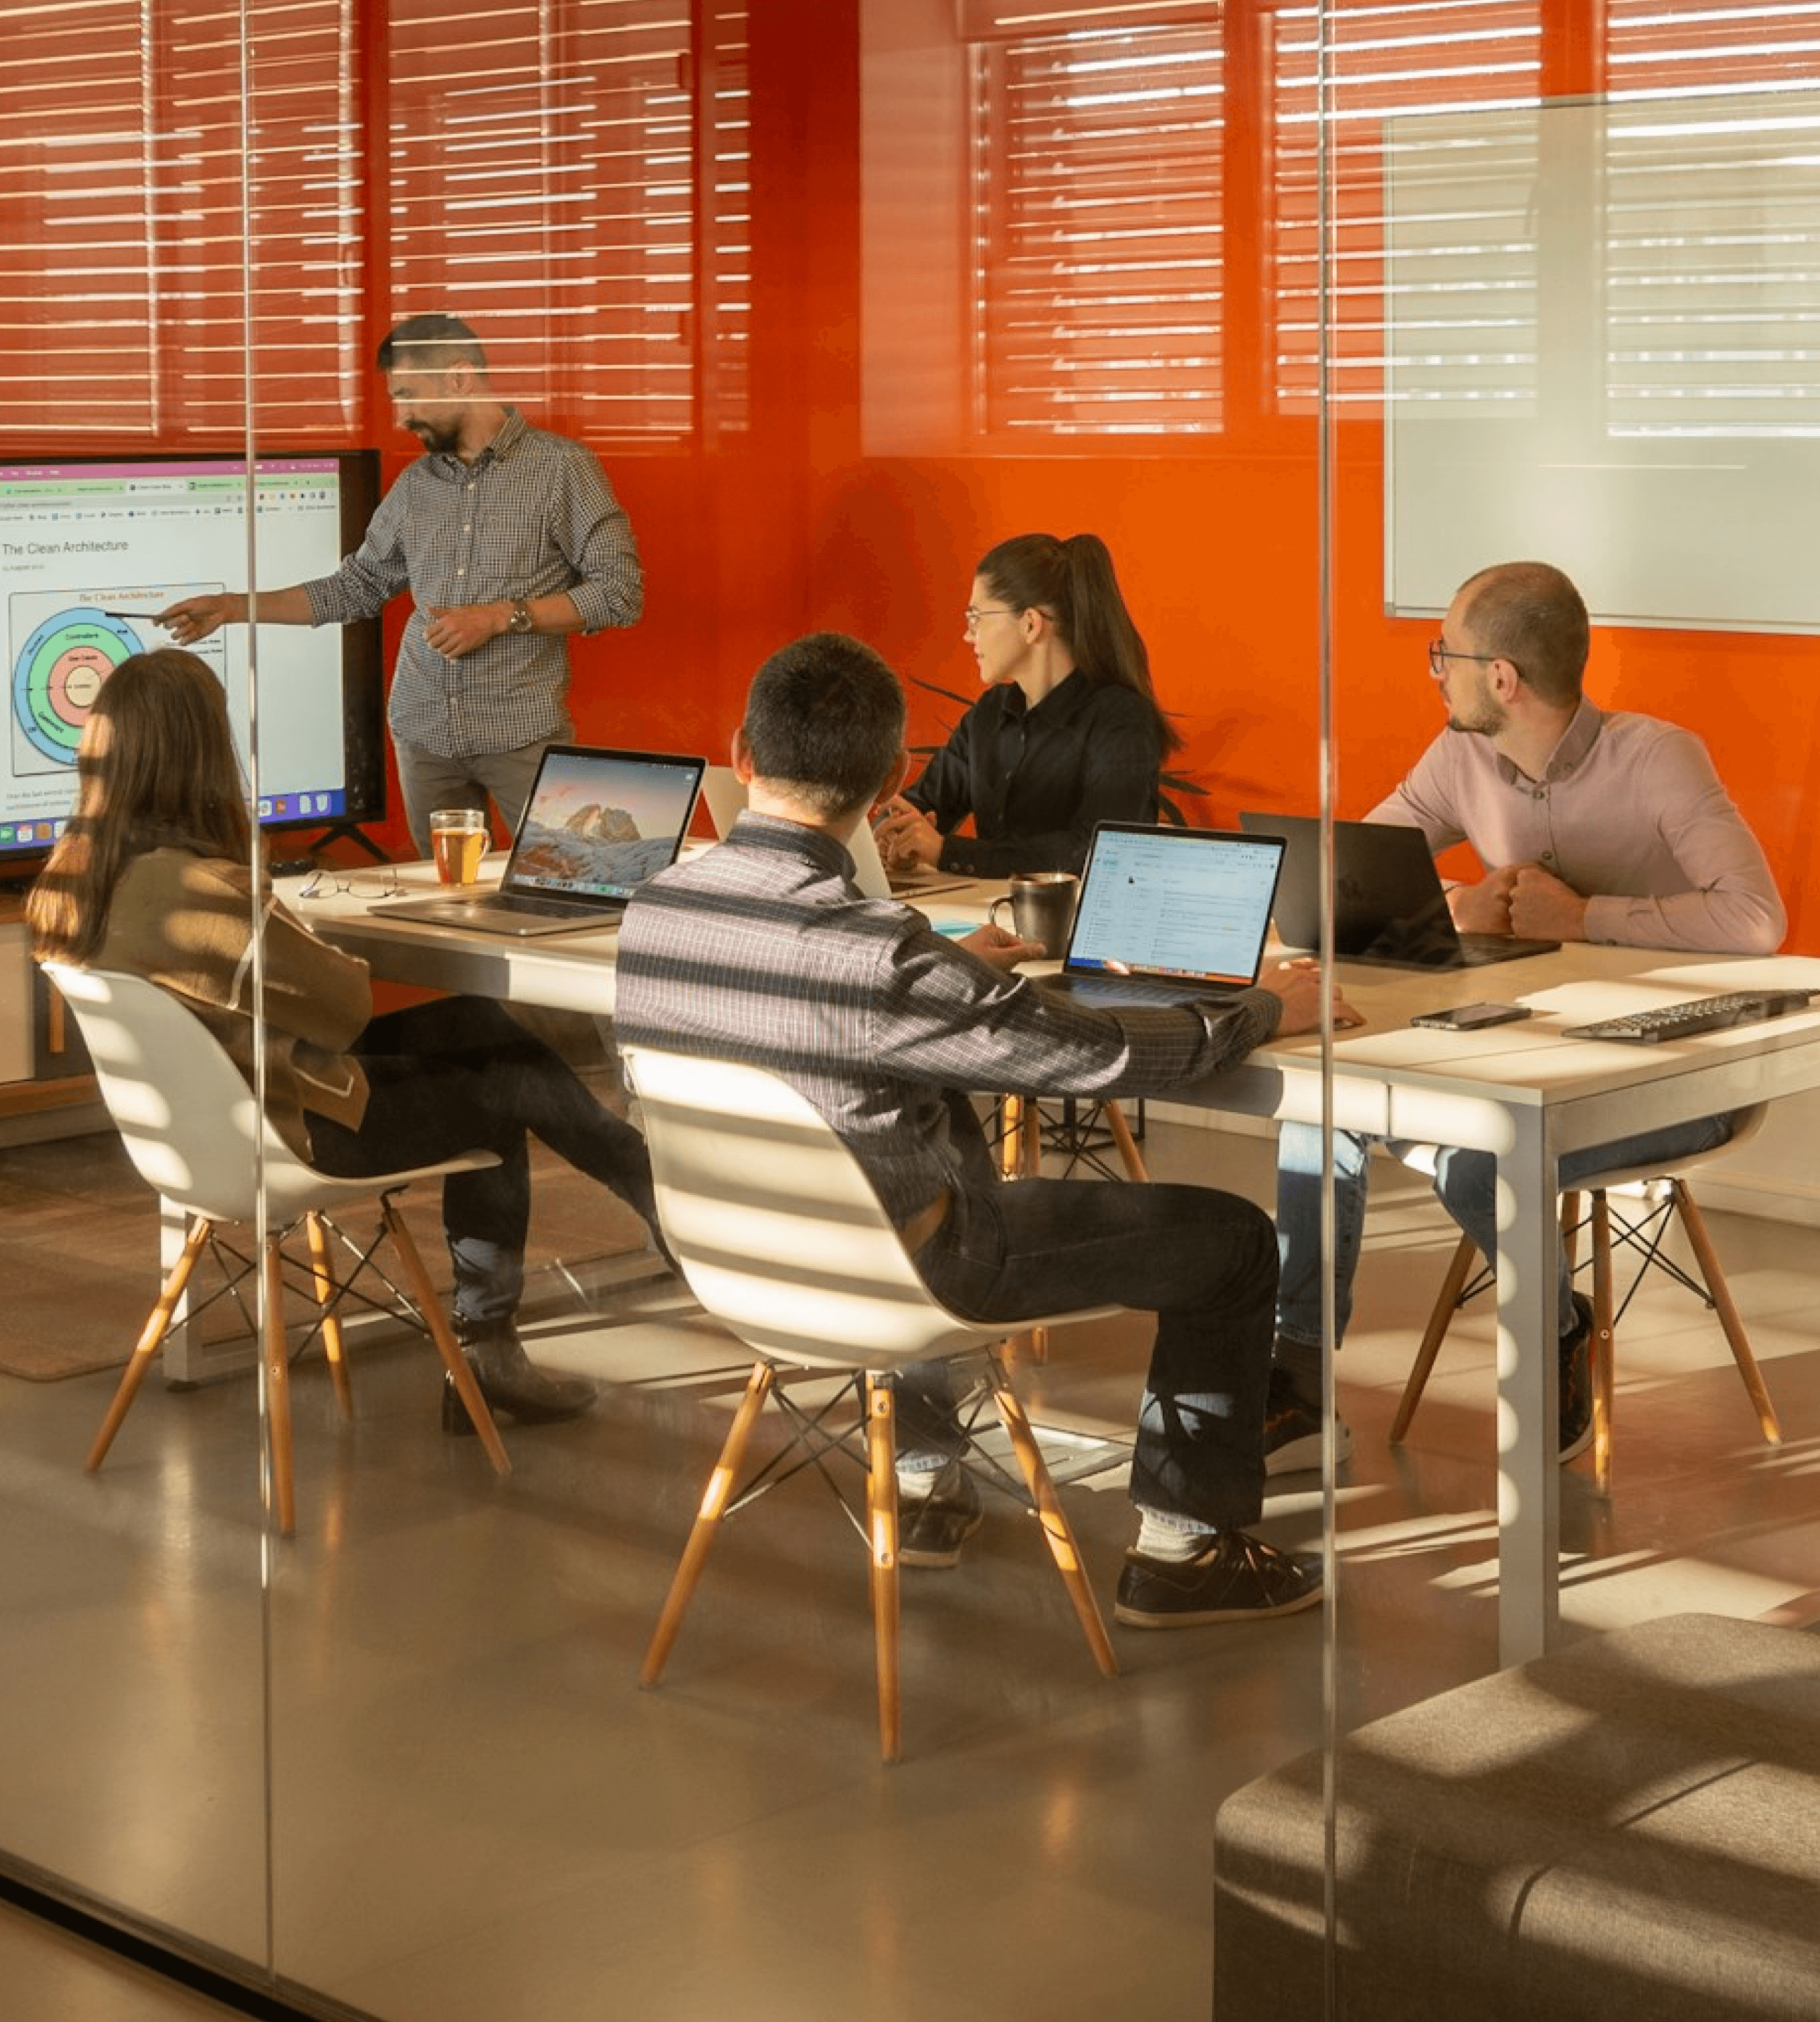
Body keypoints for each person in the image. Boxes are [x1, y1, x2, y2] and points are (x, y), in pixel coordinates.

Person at [615, 630, 1363, 1628]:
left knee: (913, 1146)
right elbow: (1097, 1057)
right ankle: (1185, 1550)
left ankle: (927, 1478)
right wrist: (1262, 1006)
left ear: (742, 753)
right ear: (889, 782)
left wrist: (963, 972)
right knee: (1228, 1241)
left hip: (736, 1263)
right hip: (899, 1280)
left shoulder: (654, 909)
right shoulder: (880, 954)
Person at [27, 649, 663, 1432]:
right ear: (201, 758)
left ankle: (641, 1189)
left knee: (473, 1024)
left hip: (212, 1131)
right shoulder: (203, 890)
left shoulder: (77, 879)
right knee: (499, 1087)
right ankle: (501, 1342)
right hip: (294, 1132)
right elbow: (346, 1008)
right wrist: (269, 906)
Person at [1268, 560, 1786, 1474]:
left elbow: (1756, 920)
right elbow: (1354, 873)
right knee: (1325, 1102)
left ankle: (1555, 1328)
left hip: (1668, 1076)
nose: (1436, 672)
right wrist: (1456, 900)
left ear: (1501, 677)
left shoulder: (1660, 756)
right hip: (1517, 1049)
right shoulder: (1461, 755)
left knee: (1477, 1151)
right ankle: (1301, 1379)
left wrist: (1583, 919)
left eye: (1445, 656)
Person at [155, 312, 644, 855]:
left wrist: (500, 616)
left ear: (460, 378)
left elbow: (619, 593)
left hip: (521, 734)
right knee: (448, 903)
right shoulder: (416, 486)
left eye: (409, 394)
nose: (403, 416)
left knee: (563, 882)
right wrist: (231, 606)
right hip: (422, 735)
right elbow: (356, 587)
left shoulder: (562, 470)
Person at [871, 531, 1176, 879]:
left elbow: (1098, 850)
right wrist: (895, 838)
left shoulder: (1120, 719)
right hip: (986, 917)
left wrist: (946, 851)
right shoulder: (988, 714)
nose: (968, 636)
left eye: (976, 618)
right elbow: (918, 805)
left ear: (1030, 624)